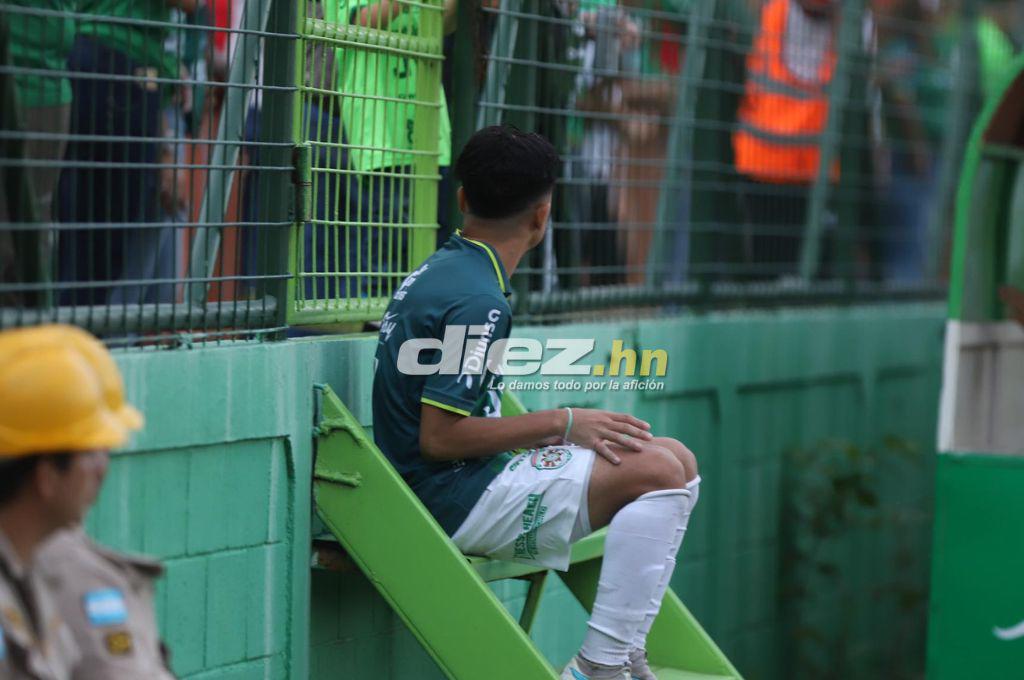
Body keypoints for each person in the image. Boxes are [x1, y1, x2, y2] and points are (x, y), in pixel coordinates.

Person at [372, 126, 700, 680]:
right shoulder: (477, 298)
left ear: (461, 199)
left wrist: (557, 429)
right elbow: (439, 438)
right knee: (660, 472)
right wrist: (564, 422)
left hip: (463, 479)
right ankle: (599, 664)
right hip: (449, 499)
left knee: (675, 459)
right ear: (542, 217)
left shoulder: (452, 270)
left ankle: (623, 653)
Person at [0, 324, 175, 679]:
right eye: (90, 452)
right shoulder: (45, 569)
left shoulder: (29, 569)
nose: (102, 468)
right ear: (46, 475)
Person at [732, 0, 839, 277]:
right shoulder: (768, 12)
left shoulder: (851, 23)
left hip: (814, 174)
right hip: (763, 169)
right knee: (765, 273)